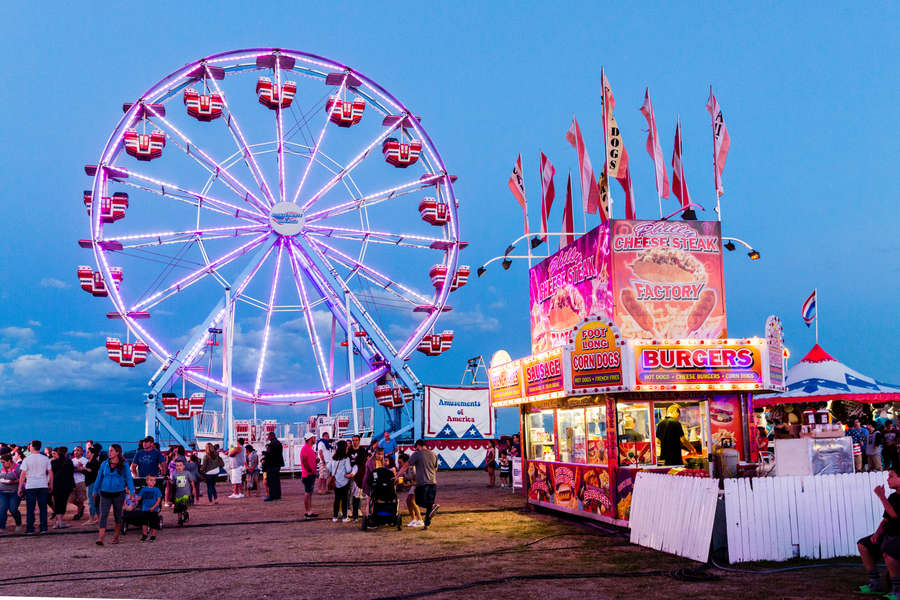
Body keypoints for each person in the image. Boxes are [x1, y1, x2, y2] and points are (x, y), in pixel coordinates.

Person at [857, 468, 900, 595]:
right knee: (863, 545)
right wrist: (877, 534)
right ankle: (875, 583)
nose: (887, 479)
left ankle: (897, 591)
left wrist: (881, 496)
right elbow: (886, 519)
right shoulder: (893, 497)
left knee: (889, 553)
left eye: (891, 476)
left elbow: (895, 515)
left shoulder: (889, 498)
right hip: (889, 535)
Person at [93, 443, 135, 545]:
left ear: (117, 452)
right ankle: (101, 538)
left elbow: (129, 479)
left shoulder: (124, 465)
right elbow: (99, 478)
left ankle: (116, 537)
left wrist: (132, 492)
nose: (109, 452)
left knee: (118, 515)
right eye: (109, 450)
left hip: (118, 493)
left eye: (111, 450)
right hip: (104, 493)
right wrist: (95, 490)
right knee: (103, 515)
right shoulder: (104, 464)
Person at [396, 439, 439, 530]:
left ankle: (432, 507)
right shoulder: (434, 454)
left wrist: (397, 475)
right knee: (428, 504)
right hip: (433, 482)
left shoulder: (417, 454)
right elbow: (435, 469)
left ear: (418, 446)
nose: (415, 450)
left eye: (416, 448)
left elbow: (406, 465)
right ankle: (426, 525)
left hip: (422, 483)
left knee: (419, 501)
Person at [19, 440, 52, 535]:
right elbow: (50, 472)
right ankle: (43, 528)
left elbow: (23, 474)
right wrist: (50, 484)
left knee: (30, 508)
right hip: (43, 485)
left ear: (31, 447)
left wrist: (20, 487)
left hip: (31, 485)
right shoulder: (45, 459)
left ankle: (30, 528)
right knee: (43, 508)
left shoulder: (27, 459)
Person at [328, 440, 357, 523]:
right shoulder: (346, 458)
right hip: (344, 481)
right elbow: (348, 470)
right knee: (344, 499)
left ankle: (335, 517)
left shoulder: (333, 458)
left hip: (336, 482)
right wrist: (354, 468)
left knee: (336, 499)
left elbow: (328, 467)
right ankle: (344, 517)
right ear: (344, 448)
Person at [50, 446, 75, 529]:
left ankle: (58, 522)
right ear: (65, 453)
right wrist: (73, 485)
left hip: (56, 485)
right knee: (63, 503)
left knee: (57, 503)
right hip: (66, 485)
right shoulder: (69, 462)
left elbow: (51, 474)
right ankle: (60, 522)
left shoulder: (53, 462)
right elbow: (71, 475)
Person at [396, 452, 422, 528]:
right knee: (408, 501)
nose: (399, 464)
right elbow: (404, 479)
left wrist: (406, 484)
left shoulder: (412, 468)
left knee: (412, 501)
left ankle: (420, 519)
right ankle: (413, 519)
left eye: (400, 462)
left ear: (405, 462)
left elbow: (416, 481)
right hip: (413, 485)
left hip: (418, 485)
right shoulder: (404, 469)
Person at [347, 434, 369, 521]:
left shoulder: (362, 450)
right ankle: (349, 508)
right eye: (353, 440)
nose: (354, 442)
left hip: (359, 474)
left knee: (358, 492)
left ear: (359, 441)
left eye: (356, 440)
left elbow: (367, 460)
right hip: (351, 472)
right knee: (350, 492)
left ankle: (358, 509)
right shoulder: (349, 450)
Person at [137, 473, 163, 542]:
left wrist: (154, 507)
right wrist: (135, 498)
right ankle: (144, 535)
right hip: (145, 509)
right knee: (144, 523)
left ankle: (153, 536)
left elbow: (158, 500)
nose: (153, 482)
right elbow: (139, 497)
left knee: (153, 523)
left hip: (154, 509)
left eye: (154, 480)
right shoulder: (143, 489)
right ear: (147, 481)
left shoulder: (156, 490)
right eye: (151, 480)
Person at [0, 453, 22, 532]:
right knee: (2, 509)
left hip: (14, 492)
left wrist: (12, 482)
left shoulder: (18, 468)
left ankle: (18, 523)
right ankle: (1, 527)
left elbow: (23, 479)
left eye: (3, 462)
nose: (2, 464)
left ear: (9, 461)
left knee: (13, 509)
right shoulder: (1, 468)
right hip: (2, 492)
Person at [172, 459, 196, 526]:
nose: (179, 467)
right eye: (177, 466)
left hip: (186, 494)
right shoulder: (174, 475)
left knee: (183, 506)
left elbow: (191, 482)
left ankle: (185, 514)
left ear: (184, 466)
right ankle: (179, 520)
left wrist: (193, 489)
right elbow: (173, 484)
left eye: (180, 465)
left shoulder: (187, 473)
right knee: (178, 508)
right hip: (178, 494)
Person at [262, 432, 284, 502]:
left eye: (268, 436)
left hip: (272, 465)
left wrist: (264, 453)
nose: (267, 438)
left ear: (271, 436)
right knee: (276, 481)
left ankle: (272, 496)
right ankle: (277, 495)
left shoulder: (272, 444)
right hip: (277, 464)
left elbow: (270, 454)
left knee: (271, 481)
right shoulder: (278, 443)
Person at [299, 432, 317, 518]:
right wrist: (310, 471)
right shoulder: (306, 448)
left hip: (310, 474)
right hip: (308, 474)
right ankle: (308, 511)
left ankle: (310, 511)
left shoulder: (309, 448)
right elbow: (304, 461)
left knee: (309, 493)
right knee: (307, 493)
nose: (315, 439)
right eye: (314, 438)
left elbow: (307, 460)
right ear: (310, 439)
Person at [82, 446, 102, 526]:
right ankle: (99, 518)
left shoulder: (93, 462)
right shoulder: (90, 462)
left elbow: (92, 472)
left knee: (92, 502)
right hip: (91, 483)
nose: (86, 454)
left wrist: (84, 469)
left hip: (92, 483)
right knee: (96, 501)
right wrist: (83, 469)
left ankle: (91, 519)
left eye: (88, 452)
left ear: (92, 454)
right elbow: (88, 472)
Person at [69, 446, 88, 520]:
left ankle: (78, 514)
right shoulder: (72, 460)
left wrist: (77, 469)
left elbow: (83, 470)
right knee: (71, 499)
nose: (76, 452)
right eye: (74, 450)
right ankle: (81, 507)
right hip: (73, 482)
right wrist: (78, 468)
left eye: (78, 450)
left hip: (81, 481)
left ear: (82, 452)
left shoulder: (85, 460)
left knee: (80, 499)